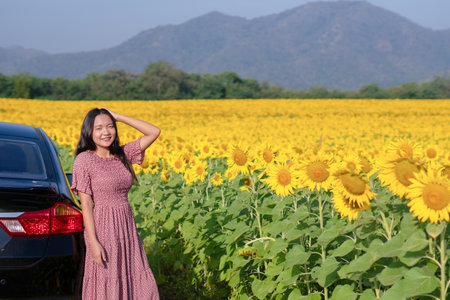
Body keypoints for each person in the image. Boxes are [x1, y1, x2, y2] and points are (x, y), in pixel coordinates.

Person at [71, 107, 160, 299]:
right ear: (89, 132)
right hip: (102, 228)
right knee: (107, 279)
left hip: (126, 227)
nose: (106, 132)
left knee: (138, 279)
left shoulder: (123, 154)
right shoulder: (84, 160)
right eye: (99, 128)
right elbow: (86, 205)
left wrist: (118, 116)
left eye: (110, 127)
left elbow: (154, 132)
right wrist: (93, 242)